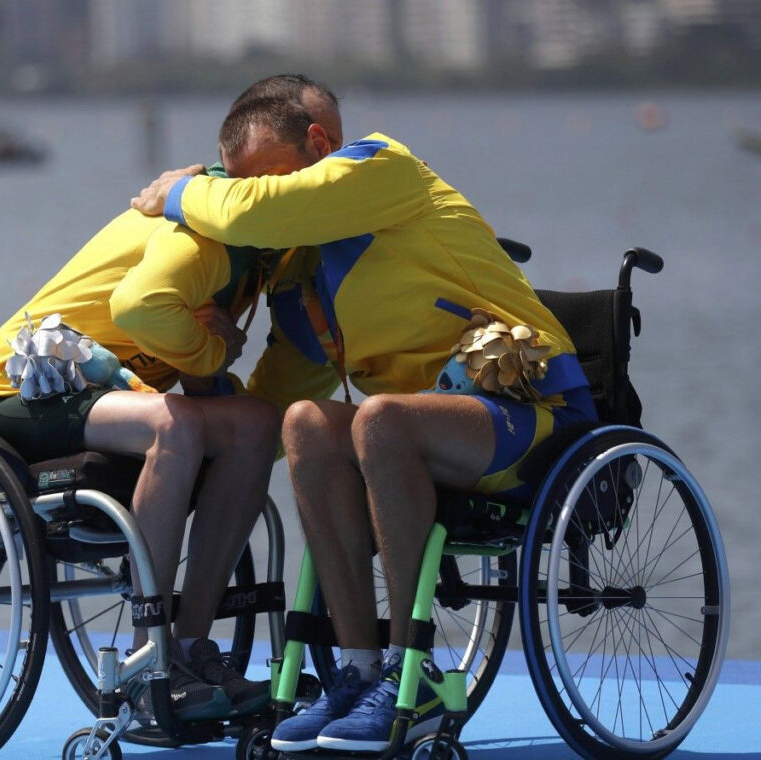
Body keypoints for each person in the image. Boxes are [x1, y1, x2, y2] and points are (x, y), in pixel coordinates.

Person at [132, 99, 597, 751]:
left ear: (319, 144)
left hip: (533, 415)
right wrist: (192, 380)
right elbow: (263, 413)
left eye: (270, 176)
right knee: (304, 424)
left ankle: (417, 672)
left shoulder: (382, 167)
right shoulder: (300, 284)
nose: (256, 194)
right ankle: (359, 670)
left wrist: (181, 191)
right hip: (411, 440)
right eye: (243, 181)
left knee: (379, 417)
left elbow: (254, 212)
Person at [0, 76, 343, 725]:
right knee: (182, 429)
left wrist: (214, 365)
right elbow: (137, 310)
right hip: (24, 387)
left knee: (254, 425)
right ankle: (150, 655)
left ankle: (193, 645)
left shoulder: (257, 255)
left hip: (113, 399)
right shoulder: (200, 231)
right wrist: (215, 352)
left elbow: (195, 375)